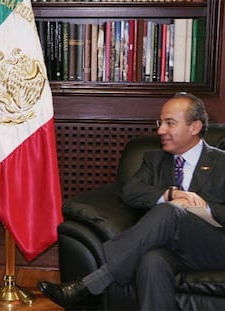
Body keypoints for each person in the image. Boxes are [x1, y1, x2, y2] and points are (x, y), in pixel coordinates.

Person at [38, 92, 225, 310]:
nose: (161, 130)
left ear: (194, 127)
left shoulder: (221, 162)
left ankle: (92, 284)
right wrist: (171, 194)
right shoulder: (154, 159)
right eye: (160, 122)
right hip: (174, 250)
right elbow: (130, 192)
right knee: (151, 261)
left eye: (170, 123)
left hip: (214, 246)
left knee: (171, 212)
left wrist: (204, 207)